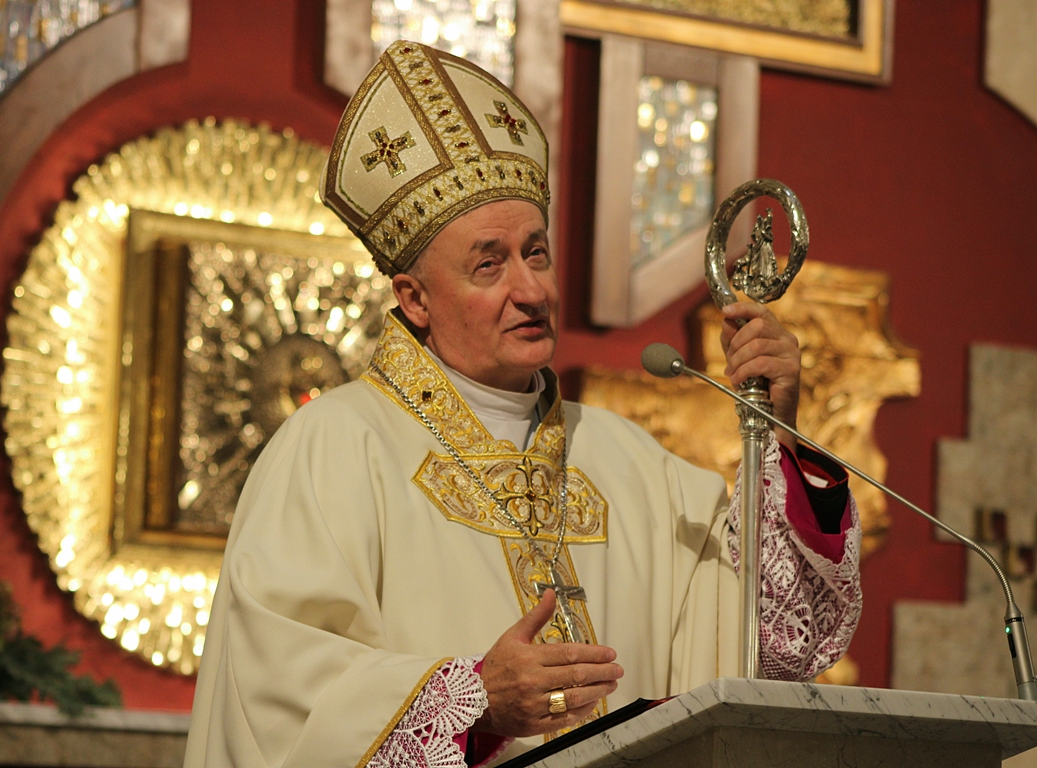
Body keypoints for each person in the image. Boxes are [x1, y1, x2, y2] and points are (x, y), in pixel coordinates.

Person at [184, 40, 861, 768]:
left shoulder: (634, 465)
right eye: (489, 264)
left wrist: (780, 436)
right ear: (415, 298)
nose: (532, 289)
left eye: (536, 253)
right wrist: (473, 700)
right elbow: (276, 694)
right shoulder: (332, 448)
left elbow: (773, 647)